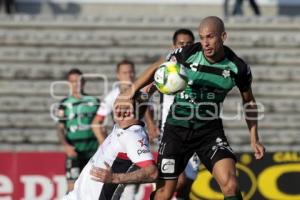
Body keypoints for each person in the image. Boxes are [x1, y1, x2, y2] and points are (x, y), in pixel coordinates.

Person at [115, 16, 265, 200]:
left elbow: (248, 101)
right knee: (165, 192)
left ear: (223, 36)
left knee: (231, 185)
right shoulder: (187, 53)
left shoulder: (238, 68)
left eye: (210, 37)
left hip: (209, 132)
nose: (205, 43)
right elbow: (157, 67)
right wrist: (129, 93)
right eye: (202, 38)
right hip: (176, 130)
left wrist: (254, 138)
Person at [62, 88, 158, 200]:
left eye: (119, 102)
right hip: (74, 196)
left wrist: (115, 178)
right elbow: (142, 97)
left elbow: (153, 173)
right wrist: (154, 85)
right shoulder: (120, 128)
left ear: (128, 110)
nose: (115, 102)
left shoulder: (133, 136)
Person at [91, 59, 159, 199]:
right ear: (118, 75)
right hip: (117, 141)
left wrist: (151, 125)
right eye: (124, 72)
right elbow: (97, 123)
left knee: (128, 191)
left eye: (131, 72)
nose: (128, 75)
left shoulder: (140, 94)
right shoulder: (113, 96)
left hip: (129, 143)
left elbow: (145, 104)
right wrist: (104, 145)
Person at [161, 28, 200, 200]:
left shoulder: (200, 69)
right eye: (181, 44)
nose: (185, 47)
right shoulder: (167, 69)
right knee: (176, 180)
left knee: (187, 184)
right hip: (172, 131)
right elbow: (149, 94)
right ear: (174, 46)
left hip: (196, 131)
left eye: (189, 44)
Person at [56, 68, 105, 192]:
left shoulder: (94, 102)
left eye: (79, 81)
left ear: (84, 82)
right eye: (73, 81)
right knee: (72, 188)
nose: (76, 84)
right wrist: (66, 145)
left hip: (93, 152)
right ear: (68, 83)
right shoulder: (64, 104)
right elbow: (60, 129)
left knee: (93, 188)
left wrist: (103, 144)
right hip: (74, 152)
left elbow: (101, 126)